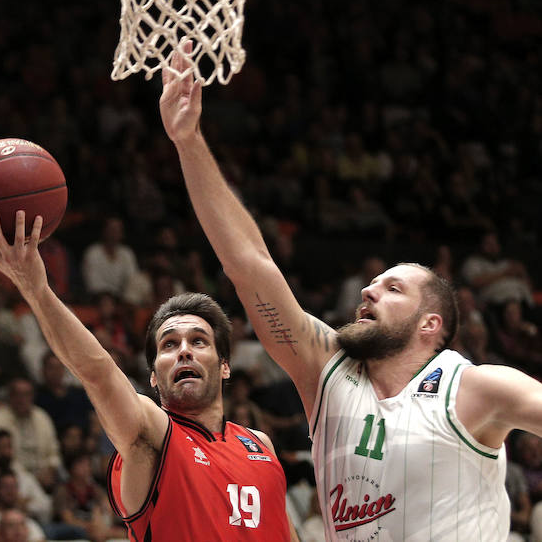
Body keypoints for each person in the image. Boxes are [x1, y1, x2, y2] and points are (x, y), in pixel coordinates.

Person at [158, 42, 542, 540]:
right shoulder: (326, 371)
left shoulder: (477, 389)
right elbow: (248, 265)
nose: (369, 290)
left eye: (393, 287)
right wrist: (188, 142)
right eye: (372, 282)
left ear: (431, 324)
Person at [0, 212, 294, 540]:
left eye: (198, 340)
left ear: (224, 366)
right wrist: (36, 289)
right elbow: (98, 373)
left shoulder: (259, 443)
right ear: (153, 377)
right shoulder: (153, 433)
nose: (183, 350)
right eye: (169, 344)